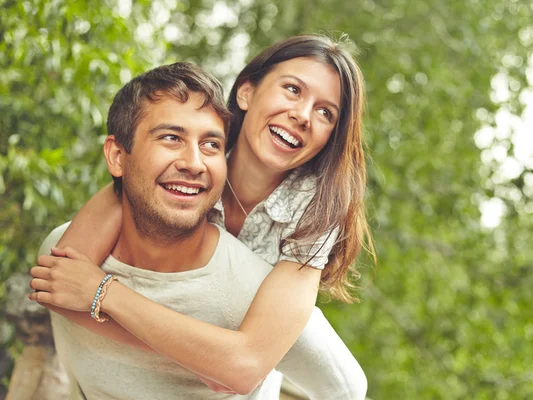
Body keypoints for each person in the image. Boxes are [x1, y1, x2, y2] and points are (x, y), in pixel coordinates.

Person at [31, 34, 373, 395]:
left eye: (326, 112)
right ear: (246, 92)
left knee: (347, 387)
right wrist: (199, 359)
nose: (303, 115)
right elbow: (59, 285)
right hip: (204, 322)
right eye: (292, 89)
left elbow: (246, 366)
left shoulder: (318, 207)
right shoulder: (198, 157)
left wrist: (104, 294)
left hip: (271, 322)